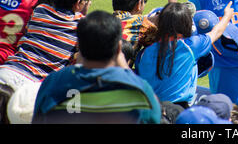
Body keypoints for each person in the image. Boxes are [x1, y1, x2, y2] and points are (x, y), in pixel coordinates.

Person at [32, 10, 161, 124]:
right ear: (119, 49)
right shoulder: (139, 91)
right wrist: (126, 69)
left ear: (79, 46)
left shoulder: (54, 82)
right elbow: (155, 114)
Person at [0, 0, 96, 91]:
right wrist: (84, 13)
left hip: (8, 70)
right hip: (32, 85)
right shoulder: (81, 25)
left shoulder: (41, 10)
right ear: (78, 3)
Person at [134, 1, 234, 107]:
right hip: (178, 110)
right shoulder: (190, 46)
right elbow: (216, 32)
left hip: (151, 110)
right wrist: (227, 16)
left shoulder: (144, 52)